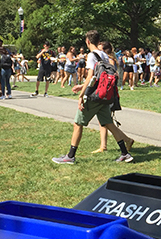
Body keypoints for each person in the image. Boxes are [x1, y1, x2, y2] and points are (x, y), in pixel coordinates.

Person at [52, 30, 136, 165]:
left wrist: (81, 95)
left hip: (94, 96)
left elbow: (91, 76)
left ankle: (70, 156)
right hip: (105, 94)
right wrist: (81, 86)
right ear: (98, 41)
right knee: (108, 124)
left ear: (87, 41)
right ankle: (125, 153)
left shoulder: (91, 55)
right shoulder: (104, 54)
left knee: (78, 123)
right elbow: (99, 76)